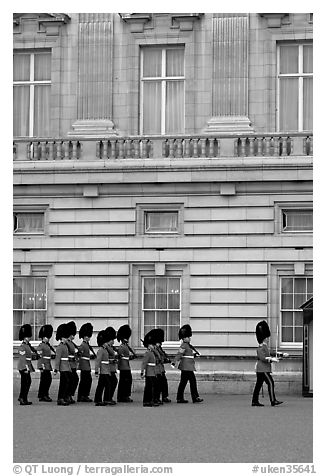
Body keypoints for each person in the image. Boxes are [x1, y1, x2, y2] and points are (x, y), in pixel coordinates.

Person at [252, 320, 283, 407]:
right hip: (263, 369)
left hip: (262, 369)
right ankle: (273, 400)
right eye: (267, 337)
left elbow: (270, 353)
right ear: (264, 337)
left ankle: (254, 401)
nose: (268, 339)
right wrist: (272, 360)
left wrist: (281, 354)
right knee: (270, 383)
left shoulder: (265, 347)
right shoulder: (261, 347)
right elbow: (263, 358)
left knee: (258, 385)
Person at [173, 324, 203, 404]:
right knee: (192, 381)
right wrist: (174, 362)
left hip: (188, 366)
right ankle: (195, 397)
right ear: (183, 338)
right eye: (187, 337)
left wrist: (194, 355)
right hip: (186, 367)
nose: (189, 338)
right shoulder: (184, 345)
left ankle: (180, 398)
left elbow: (188, 355)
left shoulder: (187, 346)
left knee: (183, 382)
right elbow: (179, 354)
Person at [117, 324, 136, 403]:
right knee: (124, 381)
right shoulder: (122, 347)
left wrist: (132, 357)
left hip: (126, 366)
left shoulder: (126, 346)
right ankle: (122, 396)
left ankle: (125, 395)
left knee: (127, 381)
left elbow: (126, 357)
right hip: (123, 367)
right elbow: (120, 357)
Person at [54, 323, 72, 406]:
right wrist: (56, 369)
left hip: (66, 366)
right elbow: (57, 359)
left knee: (67, 382)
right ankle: (60, 398)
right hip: (62, 367)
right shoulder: (60, 347)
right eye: (65, 337)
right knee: (63, 383)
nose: (66, 339)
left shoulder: (65, 346)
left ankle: (64, 397)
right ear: (62, 337)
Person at [17, 324, 35, 405]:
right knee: (26, 382)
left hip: (27, 365)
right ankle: (22, 398)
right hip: (23, 367)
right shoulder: (22, 347)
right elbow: (22, 359)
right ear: (24, 337)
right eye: (27, 337)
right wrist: (25, 368)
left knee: (26, 382)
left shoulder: (27, 346)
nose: (29, 338)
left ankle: (23, 397)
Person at [141, 331, 159, 407]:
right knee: (148, 387)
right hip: (149, 372)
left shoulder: (152, 352)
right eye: (152, 344)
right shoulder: (147, 353)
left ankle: (151, 400)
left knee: (153, 386)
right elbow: (144, 363)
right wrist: (142, 372)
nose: (153, 346)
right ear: (148, 345)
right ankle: (146, 401)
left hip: (152, 372)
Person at [37, 324, 55, 402]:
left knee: (47, 380)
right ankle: (43, 395)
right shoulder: (41, 346)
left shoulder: (47, 345)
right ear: (43, 337)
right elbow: (39, 357)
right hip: (44, 365)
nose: (48, 339)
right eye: (46, 337)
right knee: (45, 380)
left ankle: (43, 394)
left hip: (47, 364)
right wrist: (40, 366)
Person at [77, 322, 94, 402]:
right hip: (84, 365)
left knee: (87, 380)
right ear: (84, 336)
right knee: (84, 381)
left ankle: (85, 395)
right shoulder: (83, 345)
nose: (89, 337)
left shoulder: (86, 344)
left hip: (87, 364)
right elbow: (79, 354)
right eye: (88, 336)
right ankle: (81, 396)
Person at [94, 329, 112, 406]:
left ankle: (104, 399)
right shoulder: (101, 350)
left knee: (104, 385)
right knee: (103, 385)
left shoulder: (105, 350)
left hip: (106, 370)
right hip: (103, 370)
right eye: (105, 342)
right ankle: (99, 400)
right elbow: (98, 361)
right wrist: (96, 371)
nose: (106, 344)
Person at [154, 328, 171, 403]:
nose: (160, 344)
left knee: (164, 383)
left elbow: (163, 356)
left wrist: (166, 359)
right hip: (156, 369)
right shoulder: (154, 350)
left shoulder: (159, 349)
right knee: (157, 385)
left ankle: (164, 396)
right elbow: (155, 359)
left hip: (161, 369)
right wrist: (162, 360)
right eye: (159, 342)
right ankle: (157, 398)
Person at [66, 321, 79, 404]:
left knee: (75, 379)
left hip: (73, 364)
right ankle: (67, 395)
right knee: (70, 380)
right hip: (69, 364)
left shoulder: (71, 343)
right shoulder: (67, 343)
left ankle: (70, 394)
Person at [105, 327, 118, 405]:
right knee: (110, 383)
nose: (113, 342)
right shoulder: (106, 348)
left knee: (113, 382)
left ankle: (109, 397)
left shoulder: (110, 347)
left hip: (112, 367)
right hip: (108, 368)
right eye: (112, 340)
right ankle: (107, 398)